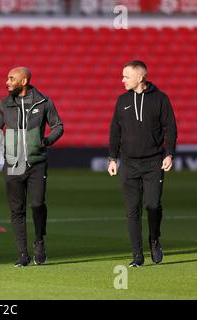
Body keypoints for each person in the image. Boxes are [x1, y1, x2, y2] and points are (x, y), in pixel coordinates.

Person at [0, 67, 64, 267]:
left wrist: (48, 140)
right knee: (17, 210)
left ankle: (39, 241)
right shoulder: (4, 104)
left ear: (24, 81)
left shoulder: (43, 102)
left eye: (11, 78)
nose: (7, 82)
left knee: (38, 204)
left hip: (36, 164)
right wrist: (3, 143)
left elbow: (58, 125)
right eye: (7, 78)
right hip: (12, 165)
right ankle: (23, 254)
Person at [108, 60, 177, 267]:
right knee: (132, 210)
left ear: (140, 77)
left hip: (154, 162)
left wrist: (169, 154)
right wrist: (113, 158)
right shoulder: (122, 100)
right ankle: (137, 255)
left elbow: (170, 129)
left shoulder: (161, 99)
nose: (122, 80)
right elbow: (115, 131)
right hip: (129, 164)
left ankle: (154, 239)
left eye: (126, 76)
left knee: (153, 205)